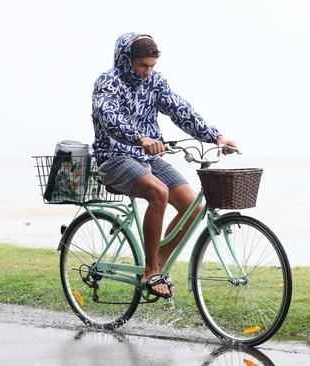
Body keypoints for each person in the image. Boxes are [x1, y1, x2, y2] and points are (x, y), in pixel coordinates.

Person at [91, 33, 238, 299]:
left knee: (194, 206)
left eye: (152, 66)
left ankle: (157, 260)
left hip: (146, 157)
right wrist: (140, 138)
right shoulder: (108, 81)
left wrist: (216, 137)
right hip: (113, 156)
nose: (147, 72)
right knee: (159, 192)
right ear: (126, 61)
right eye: (142, 66)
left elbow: (180, 110)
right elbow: (108, 116)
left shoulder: (156, 82)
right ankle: (150, 271)